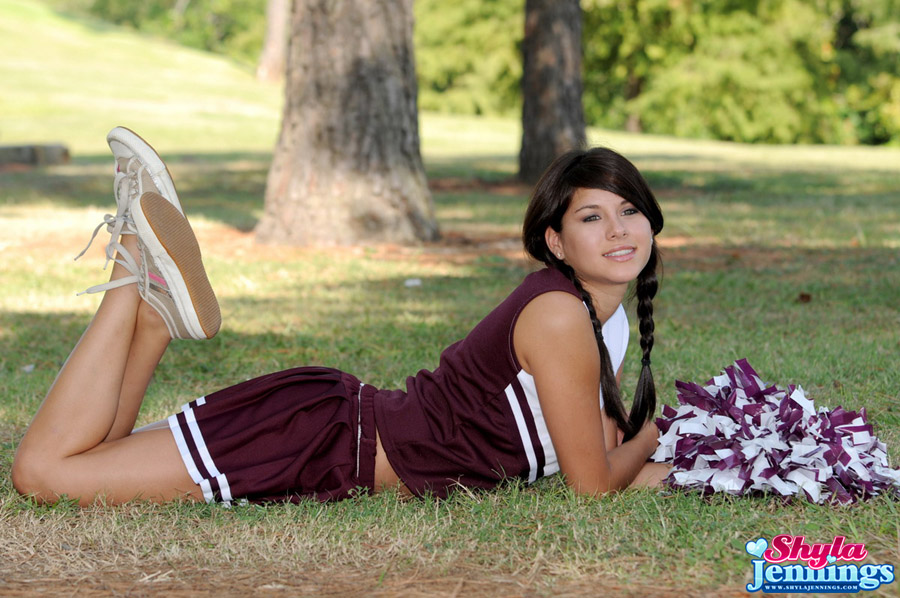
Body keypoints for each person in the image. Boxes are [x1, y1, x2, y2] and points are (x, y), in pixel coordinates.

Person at [12, 128, 669, 506]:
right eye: (592, 216)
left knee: (98, 455)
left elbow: (595, 451)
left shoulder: (601, 321)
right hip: (317, 444)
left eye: (629, 211)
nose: (618, 229)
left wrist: (699, 459)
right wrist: (655, 430)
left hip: (329, 429)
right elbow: (592, 485)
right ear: (556, 242)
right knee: (44, 474)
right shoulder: (558, 316)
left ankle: (156, 318)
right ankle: (132, 266)